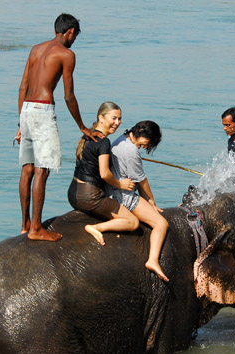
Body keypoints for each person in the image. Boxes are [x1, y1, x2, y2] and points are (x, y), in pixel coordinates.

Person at [16, 13, 98, 241]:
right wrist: (82, 126)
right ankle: (36, 229)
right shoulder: (66, 54)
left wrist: (20, 123)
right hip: (43, 111)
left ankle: (24, 225)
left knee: (27, 169)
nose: (74, 40)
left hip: (27, 109)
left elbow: (23, 86)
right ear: (70, 31)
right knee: (42, 170)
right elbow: (69, 96)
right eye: (75, 36)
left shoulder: (35, 49)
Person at [68, 103, 169, 282]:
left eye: (119, 118)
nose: (117, 122)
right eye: (113, 118)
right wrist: (149, 200)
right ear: (101, 117)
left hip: (75, 191)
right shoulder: (109, 143)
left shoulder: (104, 138)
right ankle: (153, 260)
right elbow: (133, 179)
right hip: (103, 193)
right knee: (160, 223)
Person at [107, 120, 169, 282]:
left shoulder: (122, 139)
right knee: (161, 224)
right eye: (147, 142)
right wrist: (152, 202)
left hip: (112, 190)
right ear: (141, 131)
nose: (146, 146)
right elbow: (142, 181)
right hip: (122, 195)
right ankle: (153, 260)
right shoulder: (131, 151)